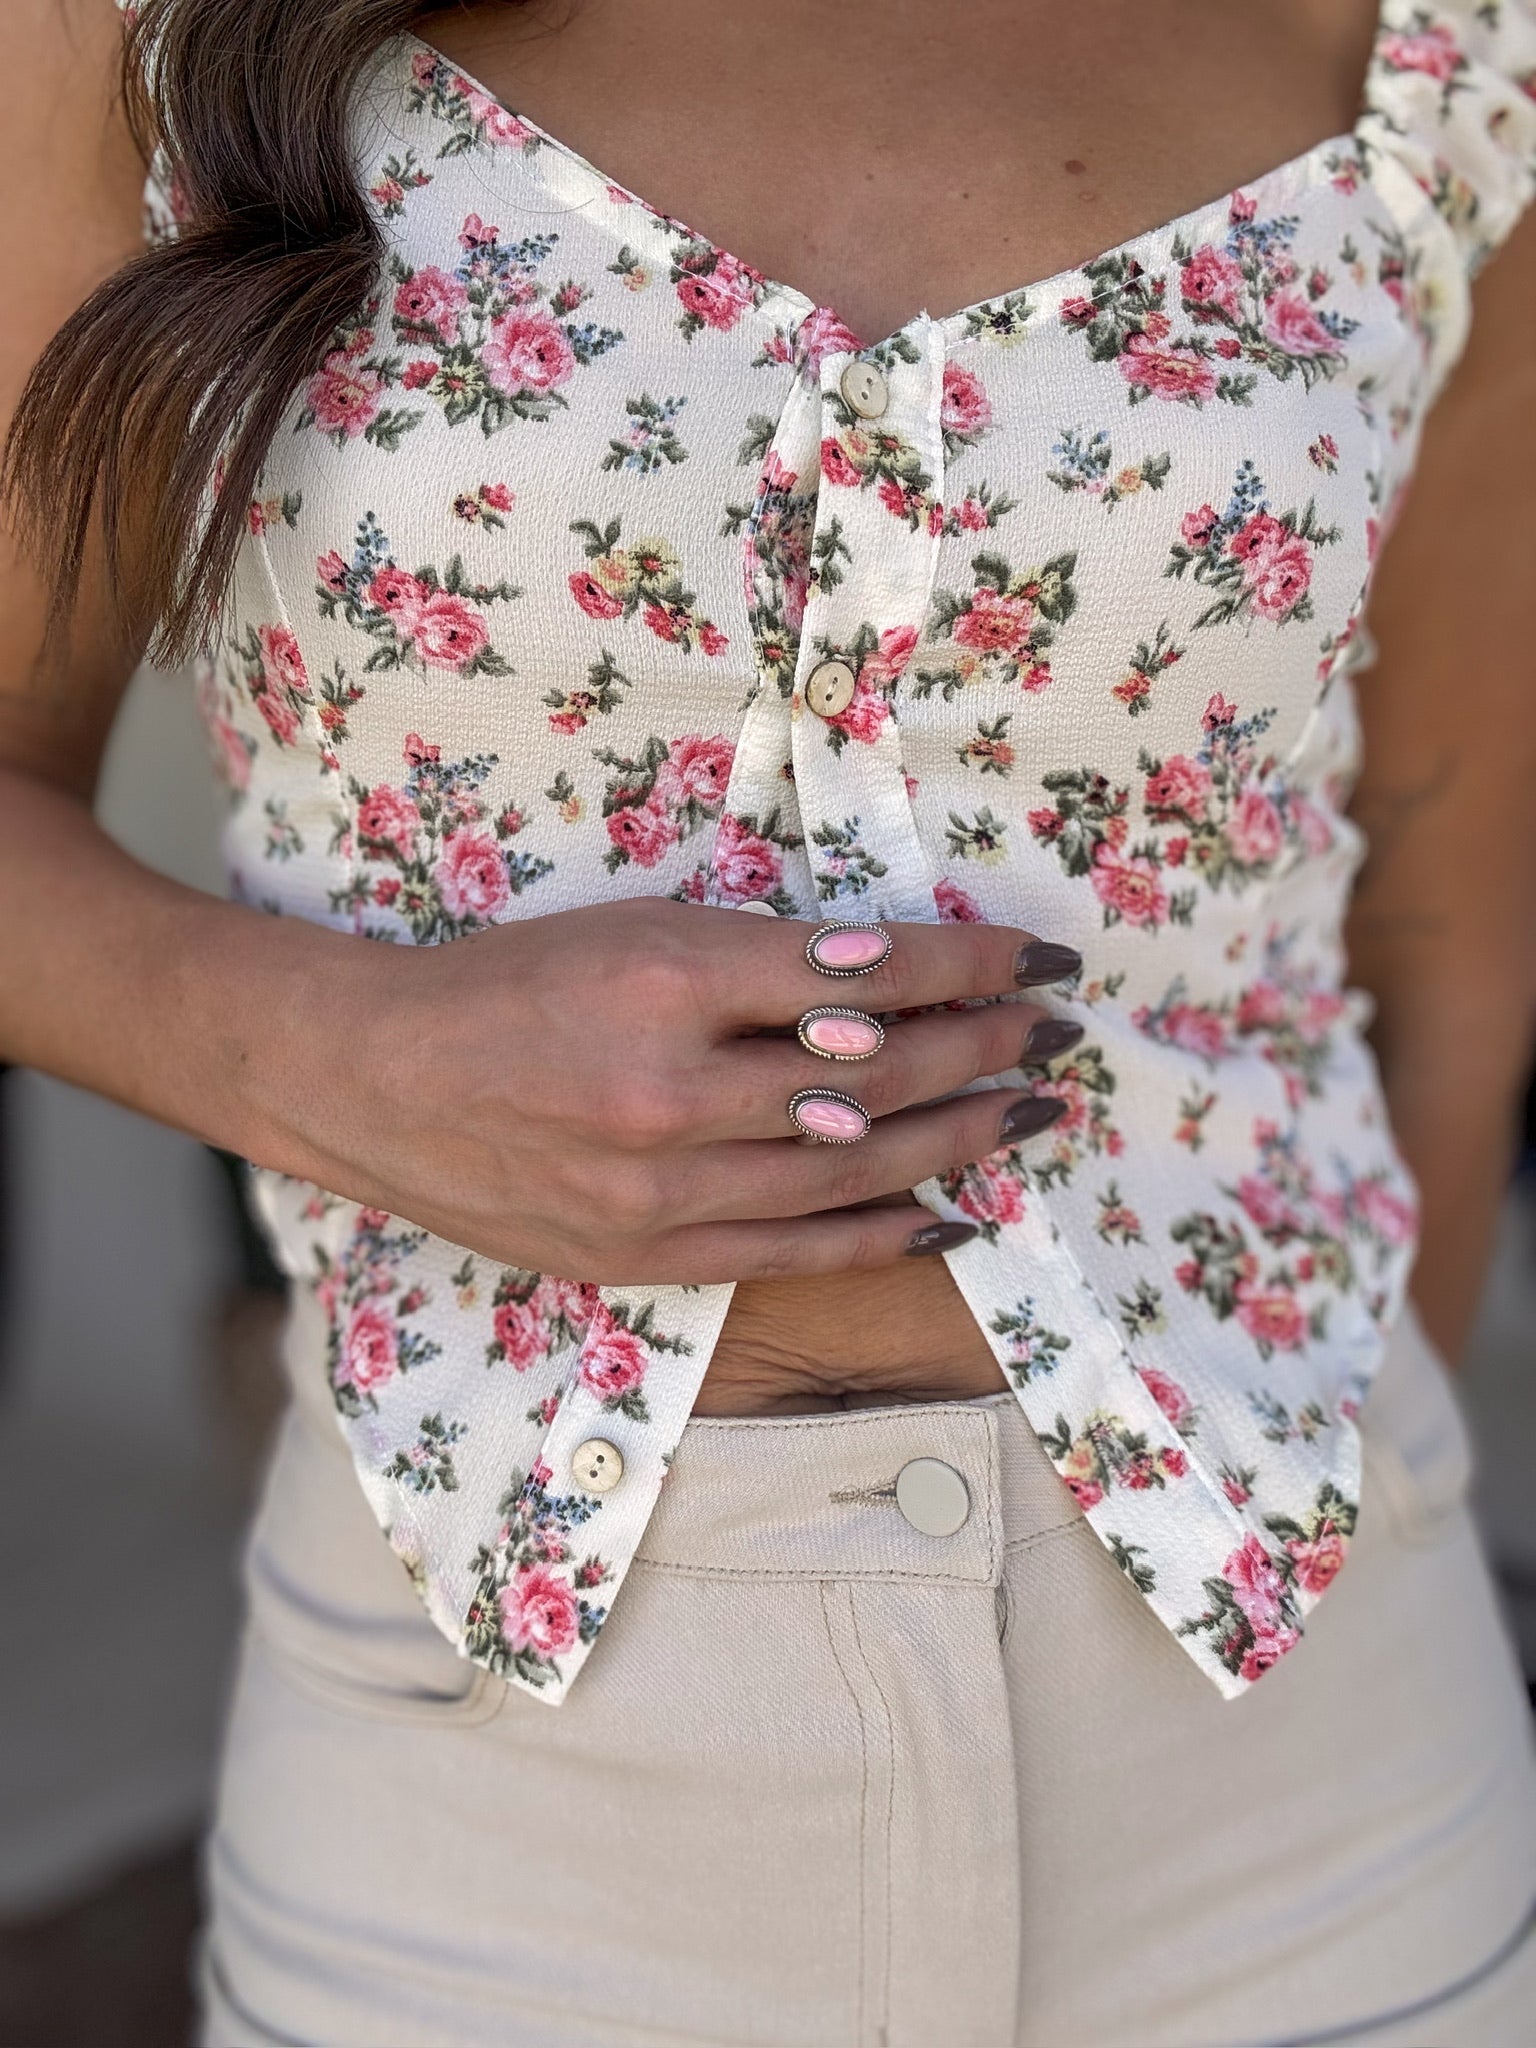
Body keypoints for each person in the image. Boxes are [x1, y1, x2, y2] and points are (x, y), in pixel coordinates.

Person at [3, 0, 1535, 2040]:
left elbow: (1437, 925)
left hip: (1309, 1801)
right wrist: (332, 1063)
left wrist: (1300, 1484)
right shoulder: (137, 25)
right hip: (493, 1802)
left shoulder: (1441, 49)